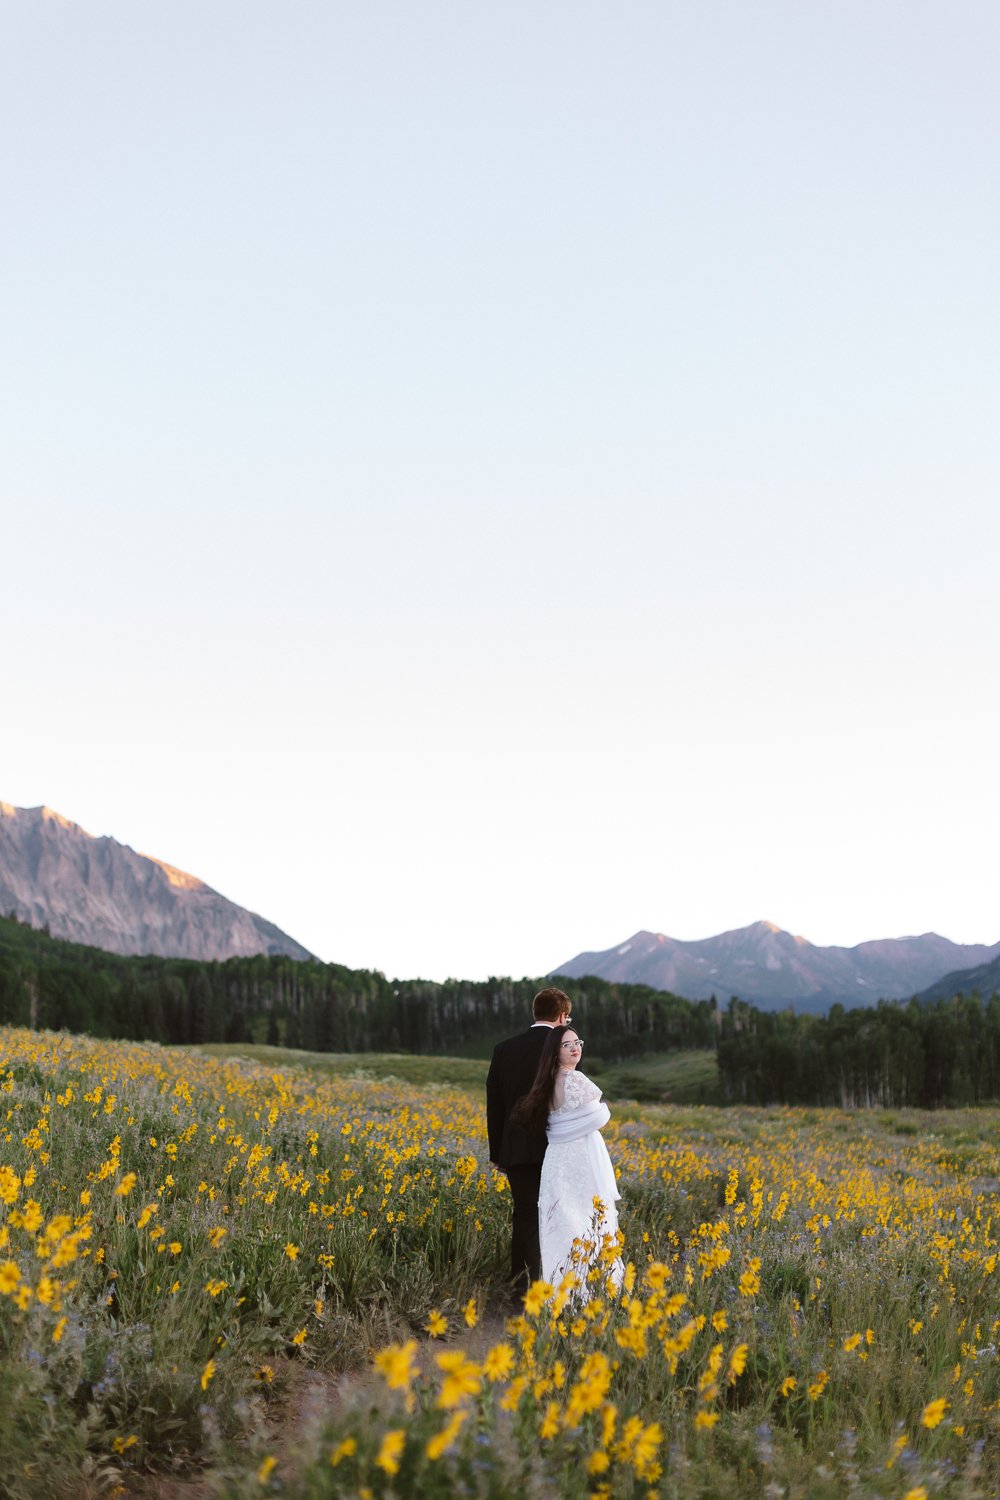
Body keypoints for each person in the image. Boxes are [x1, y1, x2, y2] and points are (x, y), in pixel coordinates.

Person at [513, 1024, 623, 1293]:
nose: (576, 1048)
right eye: (567, 1045)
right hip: (580, 1158)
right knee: (590, 1219)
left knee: (562, 1223)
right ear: (555, 1051)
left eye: (578, 1043)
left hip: (557, 1159)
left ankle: (562, 1290)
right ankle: (594, 1290)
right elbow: (600, 1116)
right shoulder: (576, 1080)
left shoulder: (546, 1082)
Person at [486, 987, 572, 1290]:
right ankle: (554, 1283)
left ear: (535, 1013)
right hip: (556, 1146)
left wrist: (497, 1151)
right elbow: (569, 1100)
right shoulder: (563, 1046)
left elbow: (495, 1104)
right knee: (558, 1214)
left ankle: (521, 1288)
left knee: (524, 1214)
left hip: (516, 1147)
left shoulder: (504, 1049)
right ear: (561, 1016)